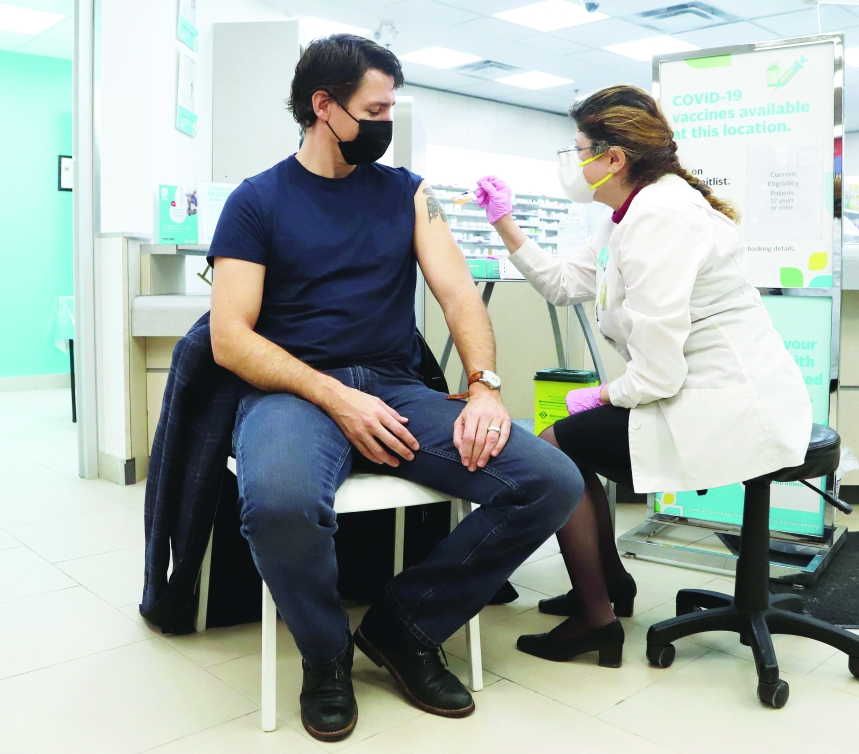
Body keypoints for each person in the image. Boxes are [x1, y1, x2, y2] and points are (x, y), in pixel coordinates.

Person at [208, 35, 584, 742]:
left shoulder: (409, 194)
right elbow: (232, 338)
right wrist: (332, 395)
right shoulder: (255, 203)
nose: (386, 121)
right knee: (280, 504)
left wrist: (485, 388)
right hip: (294, 393)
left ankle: (403, 627)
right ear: (324, 107)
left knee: (550, 481)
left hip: (394, 386)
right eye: (374, 108)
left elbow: (459, 297)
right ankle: (326, 656)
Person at [475, 85, 813, 667]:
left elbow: (657, 373)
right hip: (694, 390)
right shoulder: (628, 212)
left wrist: (601, 395)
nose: (570, 161)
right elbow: (562, 284)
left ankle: (597, 616)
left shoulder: (661, 217)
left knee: (555, 451)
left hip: (728, 406)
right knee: (564, 446)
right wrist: (504, 223)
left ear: (614, 158)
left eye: (578, 148)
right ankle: (609, 589)